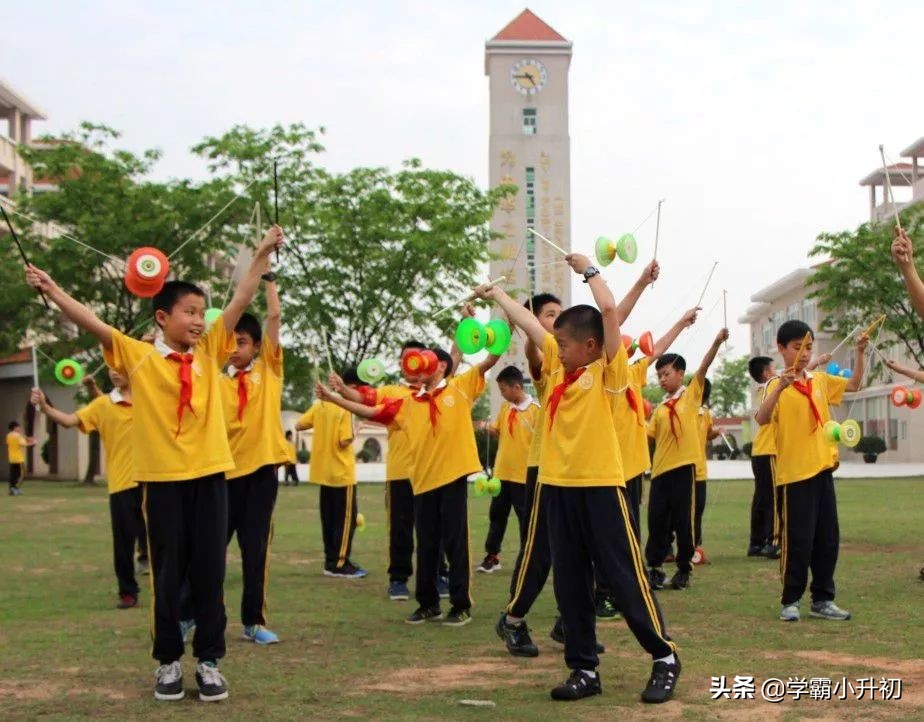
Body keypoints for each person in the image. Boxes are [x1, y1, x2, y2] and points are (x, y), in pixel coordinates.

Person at [24, 224, 283, 703]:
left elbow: (242, 298)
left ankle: (209, 662)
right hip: (161, 483)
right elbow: (91, 322)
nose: (199, 321)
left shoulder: (210, 350)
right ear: (162, 317)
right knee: (167, 574)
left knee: (209, 573)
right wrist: (52, 289)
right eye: (189, 312)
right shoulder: (137, 356)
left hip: (211, 478)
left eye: (201, 313)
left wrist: (262, 253)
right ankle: (168, 661)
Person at [477, 255, 681, 705]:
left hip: (601, 489)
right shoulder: (558, 366)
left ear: (591, 346)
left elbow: (608, 310)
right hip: (556, 488)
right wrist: (496, 294)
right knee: (569, 583)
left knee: (624, 578)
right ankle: (584, 668)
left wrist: (589, 271)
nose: (558, 348)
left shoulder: (608, 372)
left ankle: (664, 656)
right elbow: (528, 323)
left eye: (565, 343)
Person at [318, 342, 500, 628]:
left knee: (455, 543)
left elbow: (489, 360)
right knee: (426, 545)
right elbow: (370, 410)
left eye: (426, 360)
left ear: (441, 366)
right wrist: (334, 397)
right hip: (422, 482)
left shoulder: (460, 387)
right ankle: (428, 605)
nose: (418, 366)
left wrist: (502, 327)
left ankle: (460, 605)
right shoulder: (406, 402)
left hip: (453, 479)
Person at [755, 320, 867, 623]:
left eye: (809, 347)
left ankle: (823, 599)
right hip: (794, 476)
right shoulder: (774, 385)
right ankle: (790, 600)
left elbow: (855, 384)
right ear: (781, 349)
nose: (805, 354)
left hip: (822, 470)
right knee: (798, 541)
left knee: (828, 538)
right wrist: (781, 387)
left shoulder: (818, 380)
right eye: (798, 347)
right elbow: (762, 418)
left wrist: (859, 352)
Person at [31, 370, 143, 609]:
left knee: (167, 540)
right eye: (111, 367)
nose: (114, 372)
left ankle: (171, 592)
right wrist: (45, 407)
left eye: (120, 366)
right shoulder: (103, 405)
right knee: (123, 544)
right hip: (122, 485)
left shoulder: (151, 399)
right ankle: (128, 591)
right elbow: (69, 420)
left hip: (155, 481)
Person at [220, 271, 289, 645]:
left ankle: (253, 621)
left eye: (242, 341)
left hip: (261, 474)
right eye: (229, 341)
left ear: (257, 346)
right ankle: (196, 614)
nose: (234, 348)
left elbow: (274, 317)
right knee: (209, 550)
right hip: (222, 475)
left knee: (255, 550)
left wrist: (269, 280)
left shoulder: (269, 371)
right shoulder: (215, 381)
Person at [645, 328, 728, 592]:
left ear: (680, 374)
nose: (662, 379)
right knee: (656, 522)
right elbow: (647, 436)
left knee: (685, 522)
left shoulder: (691, 397)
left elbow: (704, 367)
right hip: (660, 473)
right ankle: (655, 568)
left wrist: (716, 342)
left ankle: (683, 569)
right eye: (659, 375)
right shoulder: (659, 409)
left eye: (666, 374)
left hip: (684, 470)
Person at [295, 368, 366, 579]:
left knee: (329, 521)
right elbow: (344, 440)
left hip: (323, 474)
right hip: (342, 474)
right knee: (346, 522)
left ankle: (330, 561)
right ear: (353, 387)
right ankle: (340, 563)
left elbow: (299, 425)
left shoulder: (321, 405)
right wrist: (357, 429)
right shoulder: (345, 408)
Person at [476, 365, 539, 574]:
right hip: (502, 474)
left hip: (523, 477)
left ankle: (527, 559)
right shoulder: (505, 408)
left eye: (504, 389)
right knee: (496, 517)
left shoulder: (535, 411)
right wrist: (488, 428)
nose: (502, 393)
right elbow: (500, 431)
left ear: (517, 387)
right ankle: (492, 556)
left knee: (525, 521)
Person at [747, 356, 780, 559]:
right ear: (767, 373)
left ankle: (756, 543)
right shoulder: (774, 384)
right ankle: (774, 541)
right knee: (774, 498)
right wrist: (816, 361)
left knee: (762, 498)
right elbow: (795, 374)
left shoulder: (761, 390)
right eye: (774, 369)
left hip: (759, 451)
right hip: (770, 450)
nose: (777, 372)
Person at [693, 378, 721, 563]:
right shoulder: (683, 410)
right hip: (683, 471)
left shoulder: (706, 414)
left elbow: (707, 434)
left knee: (697, 512)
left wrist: (716, 433)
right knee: (676, 512)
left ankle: (695, 548)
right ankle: (668, 548)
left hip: (700, 472)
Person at [6, 420, 35, 496]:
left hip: (11, 458)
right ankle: (15, 488)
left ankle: (12, 488)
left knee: (13, 474)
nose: (19, 428)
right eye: (18, 427)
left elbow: (14, 442)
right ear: (15, 427)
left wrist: (27, 438)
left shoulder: (8, 435)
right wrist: (33, 442)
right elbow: (23, 444)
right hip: (18, 458)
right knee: (22, 474)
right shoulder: (18, 435)